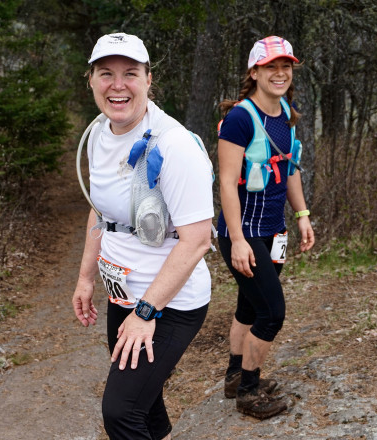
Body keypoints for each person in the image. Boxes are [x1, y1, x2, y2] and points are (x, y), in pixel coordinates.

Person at [71, 33, 214, 440]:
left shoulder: (174, 145)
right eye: (106, 74)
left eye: (130, 73)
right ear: (92, 81)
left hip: (169, 302)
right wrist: (85, 278)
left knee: (120, 412)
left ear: (149, 80)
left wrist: (146, 313)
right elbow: (100, 210)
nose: (118, 85)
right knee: (145, 403)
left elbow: (197, 240)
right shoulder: (100, 133)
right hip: (123, 293)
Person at [216, 36, 315, 420]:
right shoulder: (240, 118)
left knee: (249, 306)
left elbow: (288, 168)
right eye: (271, 66)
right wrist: (237, 240)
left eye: (286, 66)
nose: (280, 73)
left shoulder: (284, 112)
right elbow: (226, 183)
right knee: (271, 313)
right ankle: (249, 392)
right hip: (244, 234)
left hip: (274, 232)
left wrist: (302, 215)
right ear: (254, 72)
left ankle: (234, 377)